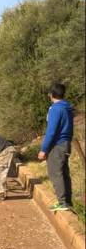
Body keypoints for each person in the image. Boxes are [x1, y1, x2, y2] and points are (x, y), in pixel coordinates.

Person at [38, 83, 74, 212]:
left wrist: (44, 149)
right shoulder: (67, 107)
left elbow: (51, 131)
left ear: (51, 95)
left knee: (55, 173)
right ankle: (67, 202)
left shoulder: (55, 108)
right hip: (66, 143)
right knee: (64, 173)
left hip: (57, 145)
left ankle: (62, 202)